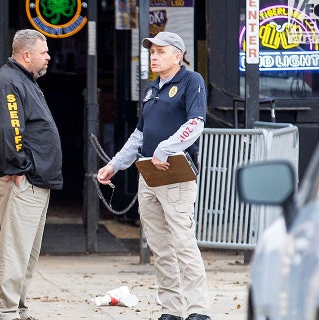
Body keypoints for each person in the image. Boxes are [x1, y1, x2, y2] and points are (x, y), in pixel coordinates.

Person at [97, 31, 211, 320]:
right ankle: (171, 310)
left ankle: (198, 310)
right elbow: (139, 134)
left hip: (175, 170)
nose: (154, 56)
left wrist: (165, 148)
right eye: (152, 52)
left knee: (183, 242)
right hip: (148, 173)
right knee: (159, 247)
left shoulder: (191, 81)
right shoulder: (151, 90)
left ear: (178, 55)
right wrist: (115, 164)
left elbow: (196, 123)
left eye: (161, 52)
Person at [0, 29, 63, 320]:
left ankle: (17, 308)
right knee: (15, 250)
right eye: (44, 52)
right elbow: (8, 128)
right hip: (23, 180)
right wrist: (17, 168)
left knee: (26, 251)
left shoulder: (23, 79)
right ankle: (4, 312)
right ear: (26, 55)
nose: (48, 57)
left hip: (35, 179)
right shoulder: (8, 81)